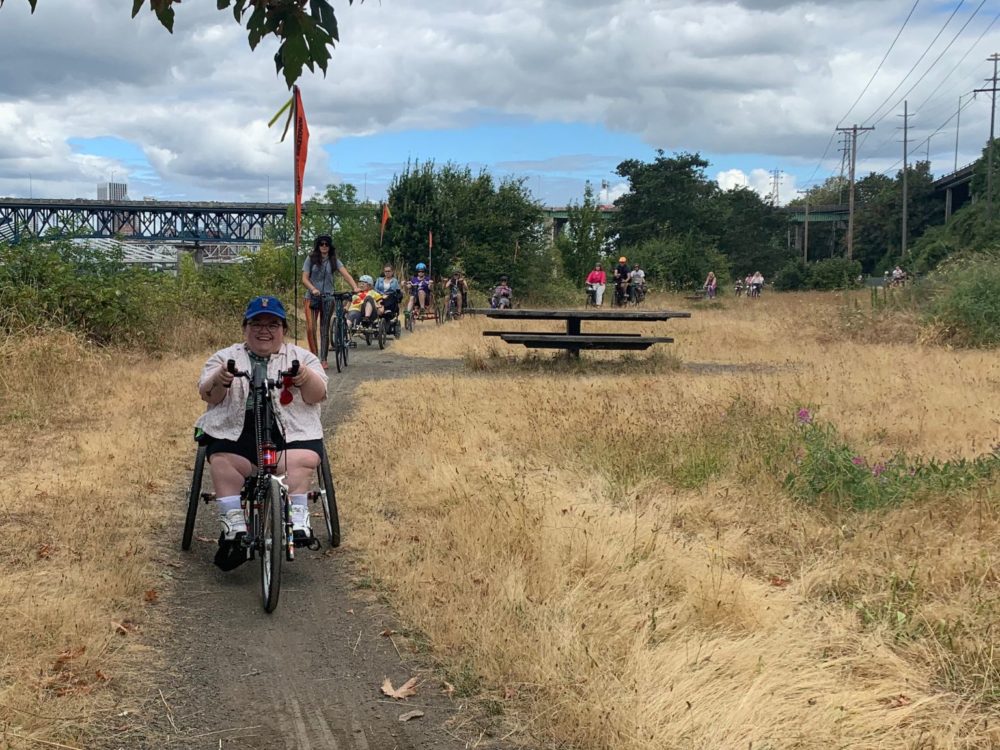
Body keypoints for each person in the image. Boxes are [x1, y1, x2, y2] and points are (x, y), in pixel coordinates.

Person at [196, 296, 328, 570]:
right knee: (222, 460)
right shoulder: (225, 357)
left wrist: (303, 377)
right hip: (238, 432)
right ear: (245, 328)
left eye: (273, 324)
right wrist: (220, 379)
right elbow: (207, 393)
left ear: (283, 329)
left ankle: (299, 514)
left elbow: (318, 395)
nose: (264, 330)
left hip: (289, 432)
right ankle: (233, 523)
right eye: (256, 323)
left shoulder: (302, 358)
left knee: (301, 460)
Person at [301, 235, 359, 366]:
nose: (324, 246)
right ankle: (314, 357)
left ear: (330, 246)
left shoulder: (334, 260)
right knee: (311, 328)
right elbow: (304, 278)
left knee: (324, 328)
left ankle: (323, 359)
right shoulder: (310, 259)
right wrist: (313, 289)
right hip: (312, 297)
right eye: (321, 244)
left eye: (326, 244)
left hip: (328, 297)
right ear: (318, 245)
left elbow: (346, 274)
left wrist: (354, 287)